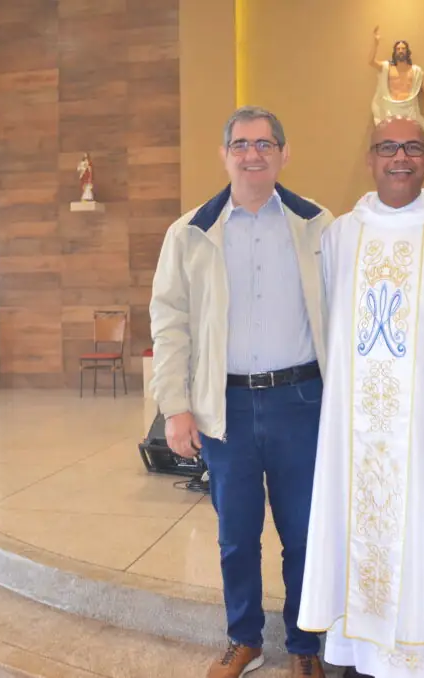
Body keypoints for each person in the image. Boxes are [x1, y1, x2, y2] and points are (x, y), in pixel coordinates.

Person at [298, 116, 424, 678]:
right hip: (355, 430)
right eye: (387, 148)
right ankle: (362, 654)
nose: (399, 158)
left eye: (412, 147)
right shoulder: (340, 237)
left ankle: (419, 651)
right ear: (370, 158)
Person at [149, 106, 335, 678]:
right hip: (224, 406)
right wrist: (175, 408)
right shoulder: (189, 233)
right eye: (241, 144)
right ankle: (244, 638)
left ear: (284, 153)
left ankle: (305, 644)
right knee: (236, 534)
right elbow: (169, 323)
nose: (252, 154)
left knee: (303, 533)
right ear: (224, 155)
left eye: (264, 144)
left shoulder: (319, 225)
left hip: (301, 401)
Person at [368, 26, 424, 152]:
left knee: (411, 142)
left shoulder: (416, 70)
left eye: (403, 49)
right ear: (395, 52)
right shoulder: (386, 67)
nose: (400, 51)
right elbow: (371, 61)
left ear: (407, 52)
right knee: (390, 142)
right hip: (390, 110)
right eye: (398, 49)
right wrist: (376, 43)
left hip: (409, 109)